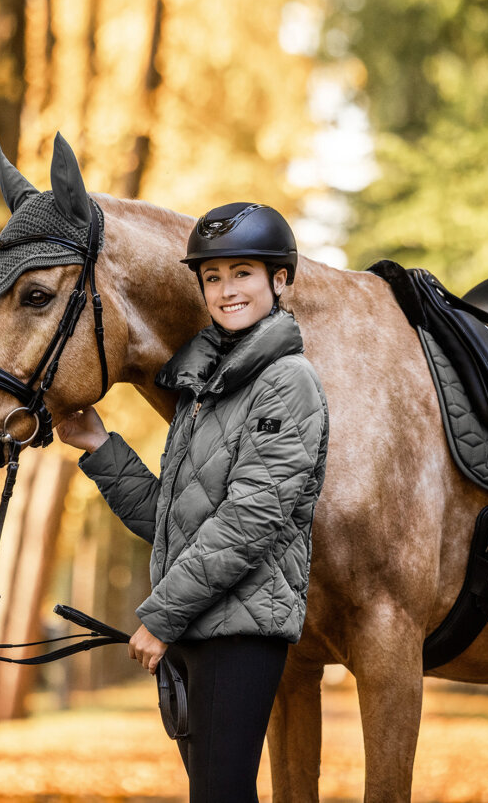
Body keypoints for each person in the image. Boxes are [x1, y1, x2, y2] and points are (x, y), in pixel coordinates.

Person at [56, 202, 330, 803]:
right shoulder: (206, 388)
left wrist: (159, 616)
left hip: (241, 632)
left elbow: (249, 522)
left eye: (243, 274)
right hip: (199, 628)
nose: (226, 290)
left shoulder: (288, 382)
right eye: (212, 277)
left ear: (279, 281)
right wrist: (101, 448)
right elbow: (174, 521)